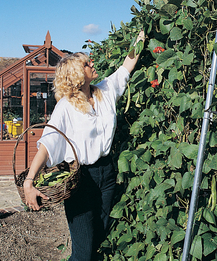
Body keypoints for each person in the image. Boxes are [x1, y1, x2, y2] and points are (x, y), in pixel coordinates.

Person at [23, 30, 145, 261]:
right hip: (81, 178)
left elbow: (126, 65)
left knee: (98, 237)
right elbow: (48, 143)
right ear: (77, 74)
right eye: (87, 64)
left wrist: (140, 37)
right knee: (83, 251)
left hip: (107, 174)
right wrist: (30, 180)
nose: (92, 64)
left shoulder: (105, 91)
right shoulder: (66, 107)